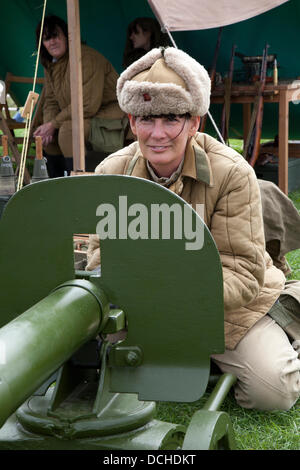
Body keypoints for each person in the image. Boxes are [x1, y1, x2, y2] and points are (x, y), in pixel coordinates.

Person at [86, 46, 300, 411]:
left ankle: (287, 324)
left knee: (273, 391)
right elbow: (98, 260)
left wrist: (166, 293)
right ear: (131, 122)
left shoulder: (231, 173)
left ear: (195, 122)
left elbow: (242, 274)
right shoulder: (111, 172)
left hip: (227, 309)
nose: (158, 134)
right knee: (84, 364)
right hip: (144, 309)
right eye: (146, 119)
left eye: (171, 119)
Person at [33, 15, 125, 177]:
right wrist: (48, 126)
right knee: (48, 140)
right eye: (46, 39)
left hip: (112, 115)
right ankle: (56, 188)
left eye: (55, 36)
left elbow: (87, 105)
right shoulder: (51, 64)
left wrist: (54, 124)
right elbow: (51, 101)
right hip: (83, 115)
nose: (52, 42)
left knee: (68, 130)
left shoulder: (86, 57)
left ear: (67, 36)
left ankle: (76, 184)